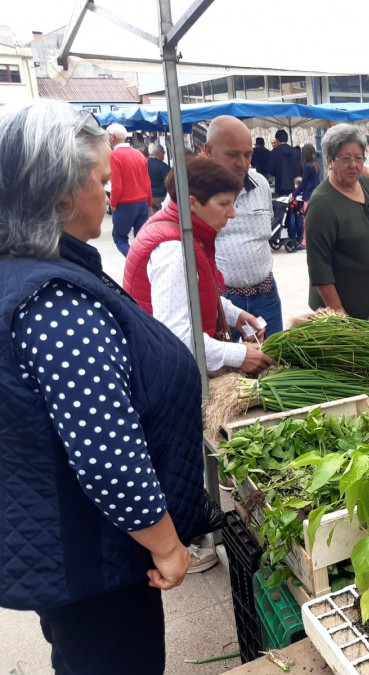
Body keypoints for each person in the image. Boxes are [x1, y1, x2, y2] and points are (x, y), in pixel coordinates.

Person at [0, 100, 209, 674]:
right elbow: (107, 451)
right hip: (92, 561)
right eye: (100, 180)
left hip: (75, 549)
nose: (110, 194)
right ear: (63, 196)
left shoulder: (33, 270)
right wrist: (166, 545)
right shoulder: (53, 301)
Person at [124, 155, 273, 377]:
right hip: (166, 377)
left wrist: (233, 314)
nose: (232, 213)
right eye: (224, 204)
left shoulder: (175, 228)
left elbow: (189, 295)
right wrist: (239, 355)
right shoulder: (173, 251)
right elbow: (178, 337)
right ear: (192, 203)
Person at [305, 124, 369, 319]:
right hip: (346, 318)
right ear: (330, 161)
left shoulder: (365, 184)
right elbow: (319, 267)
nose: (354, 165)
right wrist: (340, 316)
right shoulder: (322, 204)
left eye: (359, 158)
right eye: (346, 159)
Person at [203, 115, 284, 336]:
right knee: (227, 367)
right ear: (209, 151)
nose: (242, 162)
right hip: (222, 302)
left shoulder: (261, 185)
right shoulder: (196, 193)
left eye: (247, 154)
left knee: (274, 364)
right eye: (232, 155)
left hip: (266, 297)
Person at [107, 122, 152, 256]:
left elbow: (117, 185)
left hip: (125, 204)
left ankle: (135, 262)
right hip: (142, 202)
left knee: (120, 238)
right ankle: (146, 263)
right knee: (142, 240)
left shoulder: (114, 155)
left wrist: (113, 203)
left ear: (112, 136)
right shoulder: (139, 155)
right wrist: (149, 203)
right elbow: (147, 182)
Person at [294, 143, 321, 248]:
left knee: (306, 221)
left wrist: (294, 194)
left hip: (308, 196)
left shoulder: (307, 166)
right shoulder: (315, 165)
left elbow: (304, 182)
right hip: (314, 195)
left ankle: (305, 242)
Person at [271, 128, 299, 196]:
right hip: (295, 185)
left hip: (280, 185)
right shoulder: (296, 152)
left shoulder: (274, 152)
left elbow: (271, 170)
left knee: (281, 205)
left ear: (277, 140)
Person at [147, 141, 169, 216]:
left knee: (153, 217)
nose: (164, 154)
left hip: (148, 195)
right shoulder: (163, 166)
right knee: (164, 216)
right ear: (158, 153)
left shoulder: (145, 163)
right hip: (161, 196)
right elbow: (168, 181)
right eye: (163, 152)